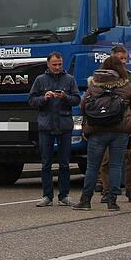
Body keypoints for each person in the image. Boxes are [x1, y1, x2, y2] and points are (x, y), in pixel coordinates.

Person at [75, 55, 131, 212]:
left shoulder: (95, 84)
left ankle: (86, 200)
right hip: (120, 131)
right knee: (116, 165)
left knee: (92, 166)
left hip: (97, 130)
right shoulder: (126, 85)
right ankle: (112, 201)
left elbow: (83, 106)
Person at [28, 51, 81, 207]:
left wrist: (65, 97)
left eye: (59, 64)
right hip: (46, 125)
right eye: (54, 64)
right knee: (46, 163)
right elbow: (31, 100)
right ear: (48, 64)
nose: (57, 67)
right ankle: (47, 196)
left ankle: (64, 195)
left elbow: (77, 99)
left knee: (64, 163)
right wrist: (44, 98)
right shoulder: (40, 80)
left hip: (64, 125)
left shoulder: (69, 80)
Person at [98, 44, 131, 203]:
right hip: (107, 121)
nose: (122, 62)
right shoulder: (102, 77)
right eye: (119, 58)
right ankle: (107, 190)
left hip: (126, 121)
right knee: (107, 159)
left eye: (124, 59)